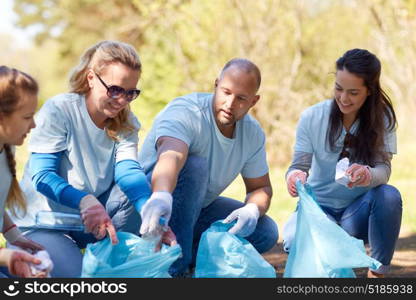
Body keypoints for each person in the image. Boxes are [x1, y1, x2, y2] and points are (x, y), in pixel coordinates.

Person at [11, 40, 158, 277]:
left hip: (87, 219)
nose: (122, 101)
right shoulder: (61, 110)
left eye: (131, 93)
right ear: (91, 78)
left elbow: (128, 172)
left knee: (143, 184)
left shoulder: (127, 123)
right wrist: (84, 200)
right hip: (43, 223)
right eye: (115, 89)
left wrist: (152, 216)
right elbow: (42, 176)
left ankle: (110, 253)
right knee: (76, 279)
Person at [138, 58, 279, 277]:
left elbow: (260, 188)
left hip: (191, 212)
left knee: (265, 231)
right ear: (216, 85)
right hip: (148, 206)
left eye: (241, 98)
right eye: (226, 92)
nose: (230, 104)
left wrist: (252, 209)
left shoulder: (252, 133)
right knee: (194, 166)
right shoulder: (187, 111)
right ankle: (173, 271)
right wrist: (161, 194)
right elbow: (171, 155)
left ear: (254, 101)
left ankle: (173, 257)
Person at [283, 48, 402, 278]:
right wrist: (294, 176)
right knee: (291, 239)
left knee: (389, 196)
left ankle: (377, 273)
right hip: (319, 211)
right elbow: (298, 165)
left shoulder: (383, 118)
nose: (344, 98)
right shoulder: (312, 117)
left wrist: (368, 174)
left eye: (353, 92)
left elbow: (384, 170)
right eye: (338, 88)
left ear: (369, 91)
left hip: (356, 215)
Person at [0, 65, 48, 278]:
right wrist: (7, 257)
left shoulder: (6, 146)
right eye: (27, 117)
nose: (34, 124)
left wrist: (14, 235)